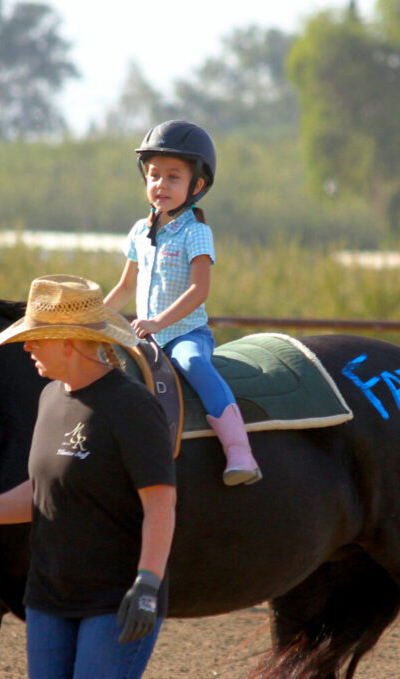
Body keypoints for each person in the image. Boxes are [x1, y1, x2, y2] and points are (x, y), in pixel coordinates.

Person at [0, 274, 177, 679]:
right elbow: (47, 490)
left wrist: (147, 585)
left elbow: (160, 504)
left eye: (36, 338)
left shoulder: (133, 407)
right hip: (48, 599)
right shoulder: (50, 398)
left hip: (115, 599)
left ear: (68, 342)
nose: (27, 347)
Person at [104, 119, 262, 486]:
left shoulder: (197, 233)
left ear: (197, 185)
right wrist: (94, 316)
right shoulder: (139, 232)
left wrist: (158, 322)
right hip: (146, 336)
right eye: (154, 175)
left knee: (193, 363)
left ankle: (239, 450)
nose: (161, 184)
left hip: (184, 334)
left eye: (173, 177)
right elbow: (126, 286)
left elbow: (198, 291)